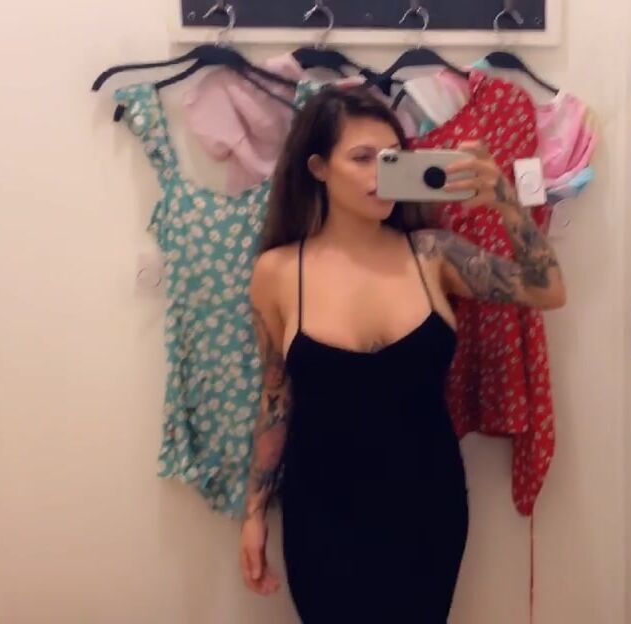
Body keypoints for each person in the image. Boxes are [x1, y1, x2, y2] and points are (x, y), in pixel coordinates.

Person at [237, 85, 566, 622]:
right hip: (321, 511)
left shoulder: (432, 254)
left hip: (427, 507)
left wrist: (506, 201)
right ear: (317, 168)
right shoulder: (276, 273)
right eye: (362, 158)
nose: (380, 173)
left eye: (392, 158)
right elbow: (276, 398)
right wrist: (253, 512)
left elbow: (547, 290)